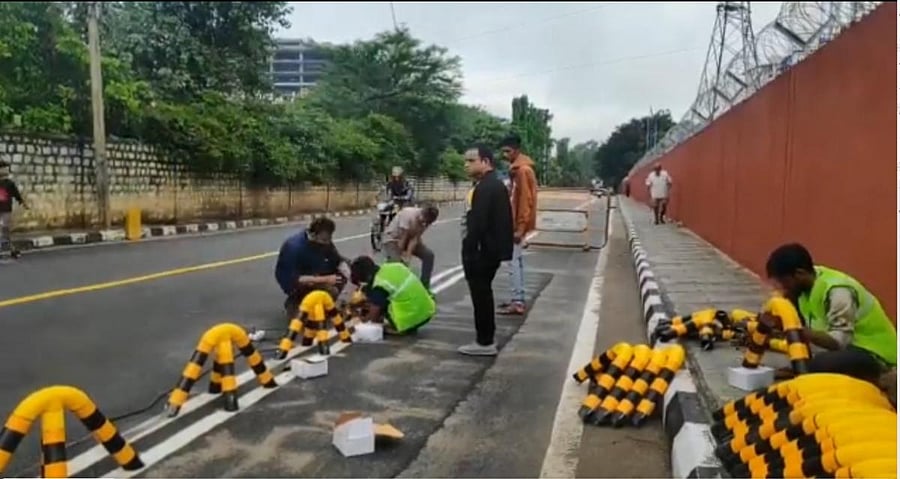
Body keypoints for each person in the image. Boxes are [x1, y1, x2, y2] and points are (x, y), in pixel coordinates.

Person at [763, 243, 897, 383]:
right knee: (812, 361)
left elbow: (839, 342)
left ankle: (879, 378)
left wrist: (796, 330)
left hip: (875, 355)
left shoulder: (838, 291)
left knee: (819, 364)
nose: (782, 287)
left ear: (799, 274)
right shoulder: (802, 288)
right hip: (849, 350)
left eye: (784, 282)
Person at [458, 145, 514, 356]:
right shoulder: (492, 185)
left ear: (486, 162)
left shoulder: (485, 188)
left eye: (471, 161)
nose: (467, 165)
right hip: (490, 251)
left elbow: (478, 224)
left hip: (482, 252)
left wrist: (469, 251)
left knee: (480, 295)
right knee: (483, 294)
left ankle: (485, 342)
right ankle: (485, 338)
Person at [274, 217, 350, 319]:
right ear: (313, 235)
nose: (328, 242)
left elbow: (336, 259)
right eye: (324, 240)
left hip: (316, 271)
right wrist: (325, 279)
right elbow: (294, 279)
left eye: (329, 238)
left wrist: (351, 275)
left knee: (345, 270)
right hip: (297, 281)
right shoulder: (294, 247)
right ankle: (296, 302)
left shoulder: (324, 242)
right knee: (331, 291)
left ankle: (320, 302)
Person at [497, 134, 538, 316]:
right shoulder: (518, 170)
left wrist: (520, 228)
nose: (505, 155)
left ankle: (517, 301)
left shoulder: (522, 171)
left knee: (513, 263)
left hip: (516, 225)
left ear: (516, 150)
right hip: (513, 223)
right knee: (517, 262)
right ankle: (517, 297)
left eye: (508, 151)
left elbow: (524, 202)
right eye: (503, 151)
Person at [349, 255, 435, 335]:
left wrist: (360, 320)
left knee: (379, 307)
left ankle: (398, 329)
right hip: (427, 311)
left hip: (409, 318)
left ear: (367, 277)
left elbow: (373, 316)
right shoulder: (394, 266)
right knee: (381, 298)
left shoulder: (380, 286)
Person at [382, 203, 440, 291]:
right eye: (424, 220)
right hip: (393, 239)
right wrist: (401, 256)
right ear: (422, 213)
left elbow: (415, 239)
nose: (424, 223)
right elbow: (402, 238)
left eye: (427, 222)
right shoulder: (408, 215)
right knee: (398, 264)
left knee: (429, 255)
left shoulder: (426, 222)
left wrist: (408, 256)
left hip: (409, 239)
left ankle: (424, 287)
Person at [0, 161, 28, 260]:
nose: (5, 171)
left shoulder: (9, 183)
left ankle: (12, 250)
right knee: (4, 231)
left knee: (5, 230)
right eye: (3, 168)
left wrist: (23, 203)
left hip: (6, 210)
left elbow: (16, 194)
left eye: (6, 168)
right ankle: (12, 250)